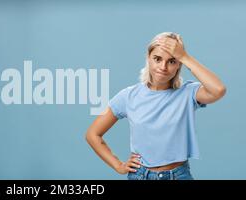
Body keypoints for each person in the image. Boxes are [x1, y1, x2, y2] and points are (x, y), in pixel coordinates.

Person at [85, 32, 226, 180]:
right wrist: (118, 165)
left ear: (179, 65)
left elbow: (218, 90)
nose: (163, 67)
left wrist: (184, 56)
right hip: (140, 175)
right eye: (157, 59)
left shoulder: (188, 92)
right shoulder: (128, 96)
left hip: (178, 175)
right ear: (148, 58)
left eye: (172, 61)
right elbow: (93, 134)